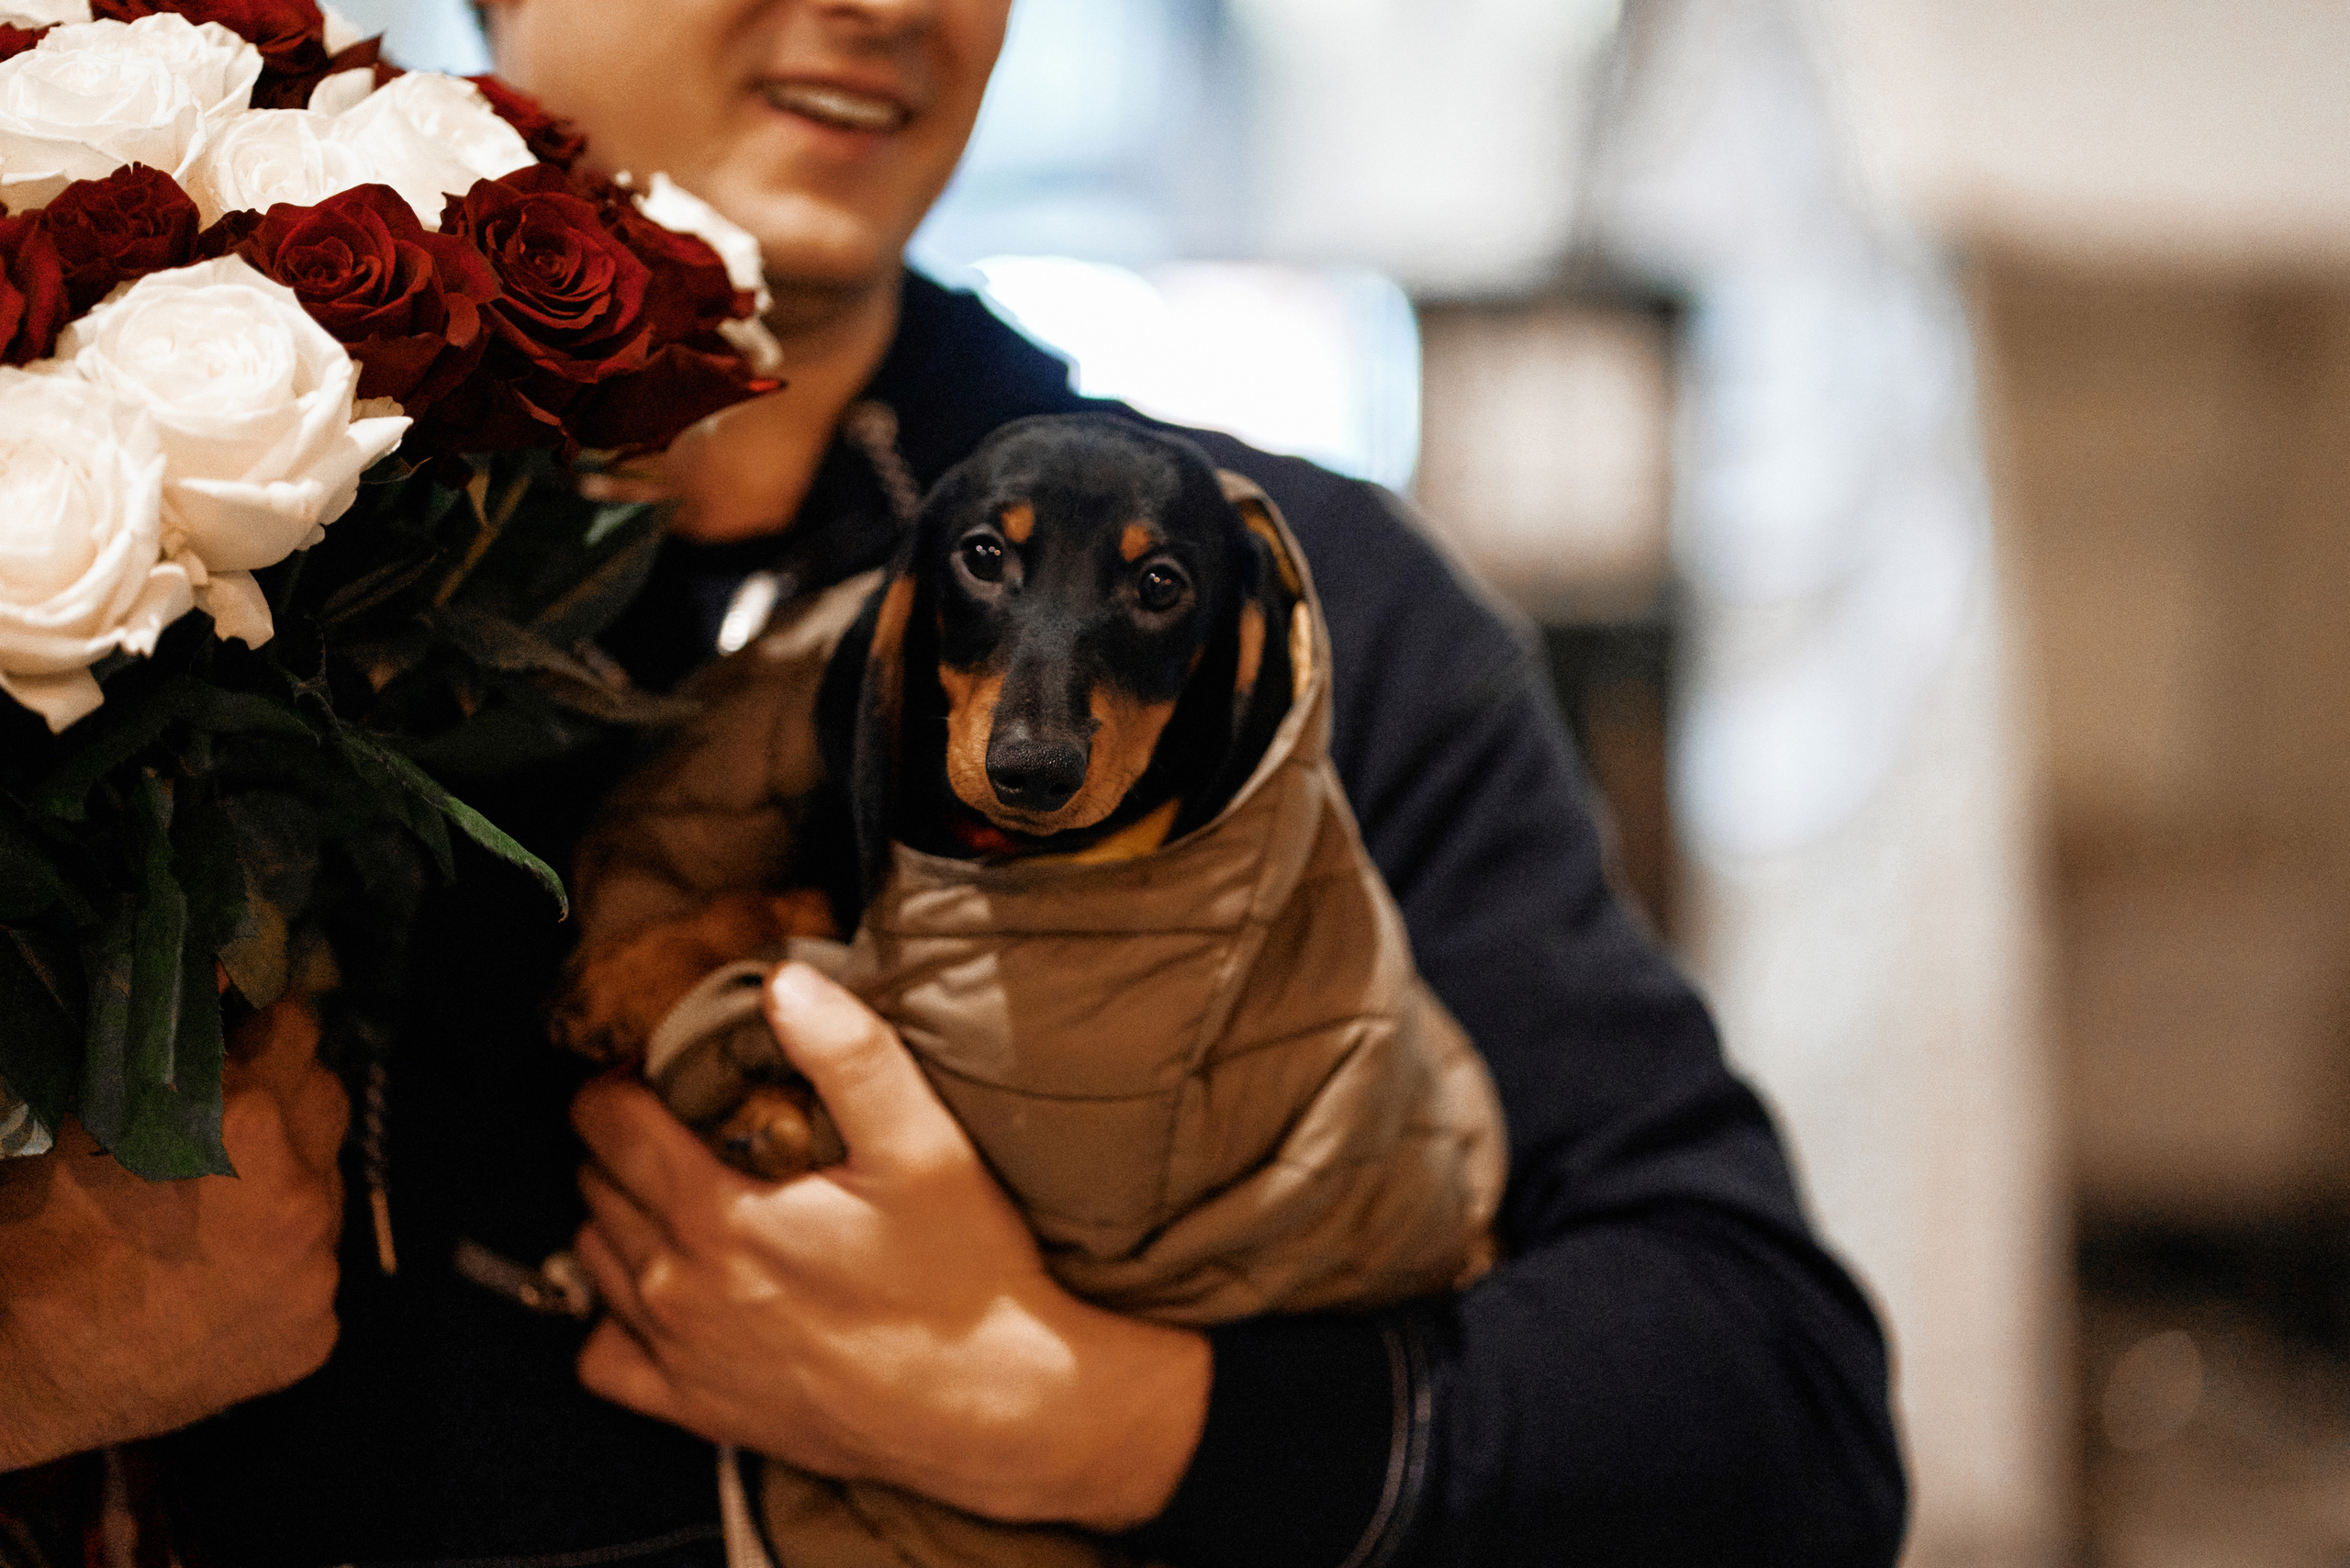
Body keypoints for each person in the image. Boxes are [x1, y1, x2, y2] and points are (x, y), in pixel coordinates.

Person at [1, 2, 1908, 1564]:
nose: (893, 7)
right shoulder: (103, 517)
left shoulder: (1286, 622)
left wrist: (1074, 1410)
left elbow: (1774, 1411)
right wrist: (35, 1353)